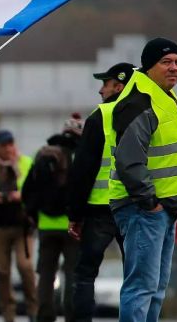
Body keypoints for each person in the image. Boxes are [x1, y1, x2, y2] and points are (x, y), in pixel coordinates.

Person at [108, 38, 177, 322]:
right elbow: (129, 159)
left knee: (155, 289)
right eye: (166, 62)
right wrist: (149, 202)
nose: (175, 68)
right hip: (143, 208)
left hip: (162, 209)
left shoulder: (163, 95)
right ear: (149, 66)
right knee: (141, 288)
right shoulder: (140, 100)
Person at [66, 62, 134, 322]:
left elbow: (83, 168)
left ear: (118, 86)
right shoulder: (149, 114)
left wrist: (75, 213)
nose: (100, 90)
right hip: (136, 206)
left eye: (104, 84)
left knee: (85, 274)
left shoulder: (101, 116)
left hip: (100, 209)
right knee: (138, 274)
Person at [22, 114, 84, 322]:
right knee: (71, 274)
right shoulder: (81, 155)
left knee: (46, 275)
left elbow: (28, 189)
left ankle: (45, 316)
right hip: (73, 225)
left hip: (46, 224)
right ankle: (70, 315)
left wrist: (32, 214)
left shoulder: (41, 153)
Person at [0, 130, 37, 322]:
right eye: (4, 145)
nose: (8, 148)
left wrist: (22, 195)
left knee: (25, 266)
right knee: (2, 271)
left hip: (22, 225)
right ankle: (8, 314)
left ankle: (33, 310)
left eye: (11, 144)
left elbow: (35, 188)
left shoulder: (26, 163)